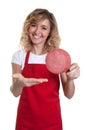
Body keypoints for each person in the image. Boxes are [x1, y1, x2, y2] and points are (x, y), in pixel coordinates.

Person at [10, 8, 80, 130]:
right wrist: (20, 83)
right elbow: (15, 92)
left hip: (52, 122)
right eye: (33, 25)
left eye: (44, 28)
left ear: (50, 32)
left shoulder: (57, 56)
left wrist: (70, 79)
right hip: (25, 121)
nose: (37, 31)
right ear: (28, 28)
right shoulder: (19, 56)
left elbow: (69, 95)